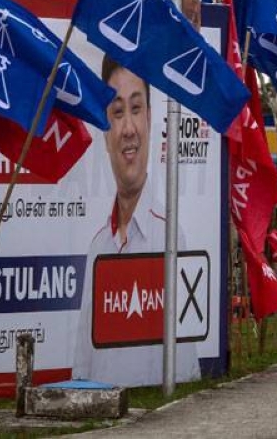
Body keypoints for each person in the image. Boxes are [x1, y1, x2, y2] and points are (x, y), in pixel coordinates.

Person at [72, 57, 200, 386]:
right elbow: (83, 366)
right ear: (104, 128)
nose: (128, 128)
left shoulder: (170, 238)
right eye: (117, 112)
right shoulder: (98, 247)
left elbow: (185, 373)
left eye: (136, 109)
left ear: (150, 118)